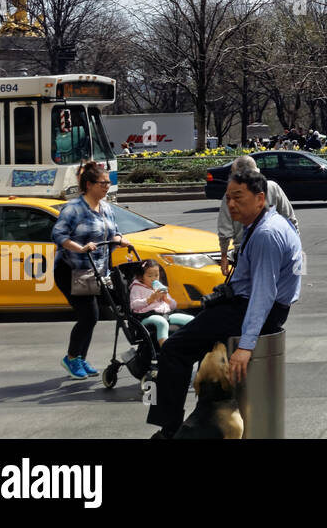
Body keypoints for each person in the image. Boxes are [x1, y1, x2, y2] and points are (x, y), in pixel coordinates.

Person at [148, 166, 303, 439]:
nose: (231, 204)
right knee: (194, 337)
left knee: (173, 350)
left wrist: (246, 345)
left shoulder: (265, 234)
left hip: (252, 311)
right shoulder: (269, 223)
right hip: (248, 305)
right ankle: (200, 415)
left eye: (239, 197)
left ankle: (168, 429)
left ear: (260, 198)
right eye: (228, 197)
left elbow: (263, 294)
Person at [52, 161, 130, 379]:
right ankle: (71, 357)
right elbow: (58, 236)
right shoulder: (74, 209)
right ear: (88, 184)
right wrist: (81, 248)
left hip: (95, 271)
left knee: (92, 316)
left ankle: (80, 359)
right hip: (70, 270)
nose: (107, 186)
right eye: (103, 183)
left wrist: (120, 240)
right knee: (89, 315)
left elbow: (114, 233)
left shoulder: (106, 209)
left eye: (109, 182)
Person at [217, 155, 298, 278]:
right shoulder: (273, 187)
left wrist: (224, 257)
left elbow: (225, 230)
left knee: (249, 292)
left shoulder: (230, 195)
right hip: (276, 249)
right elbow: (290, 220)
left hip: (246, 253)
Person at [129, 260, 194, 343]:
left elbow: (173, 306)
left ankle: (189, 345)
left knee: (191, 319)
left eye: (156, 275)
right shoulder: (137, 288)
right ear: (141, 277)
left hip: (165, 314)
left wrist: (166, 299)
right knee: (161, 322)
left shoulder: (160, 287)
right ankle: (164, 349)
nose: (154, 279)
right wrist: (150, 299)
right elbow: (134, 305)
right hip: (147, 316)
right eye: (150, 276)